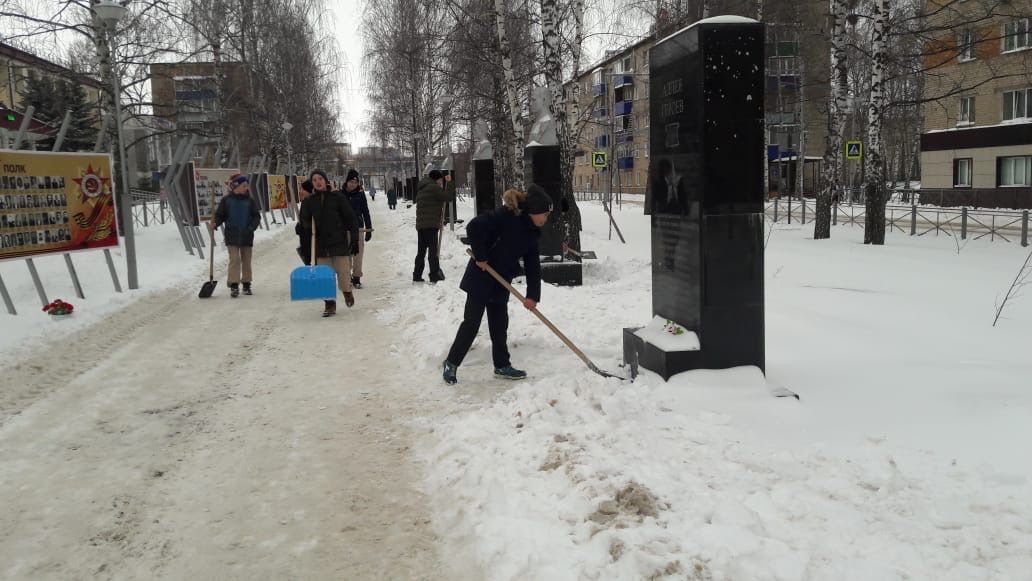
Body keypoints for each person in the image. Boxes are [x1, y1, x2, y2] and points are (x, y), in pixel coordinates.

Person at [442, 186, 552, 385]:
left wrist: (532, 296)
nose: (546, 218)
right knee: (472, 323)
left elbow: (533, 265)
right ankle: (451, 363)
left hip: (502, 280)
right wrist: (481, 256)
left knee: (499, 325)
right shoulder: (506, 216)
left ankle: (502, 365)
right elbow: (474, 227)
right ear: (535, 211)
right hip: (482, 276)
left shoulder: (532, 233)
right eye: (544, 214)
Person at [299, 169, 359, 317]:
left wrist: (355, 237)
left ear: (325, 180)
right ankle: (330, 304)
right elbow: (304, 220)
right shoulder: (310, 201)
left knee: (344, 274)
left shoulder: (337, 197)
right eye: (314, 180)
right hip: (321, 244)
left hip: (339, 242)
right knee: (324, 277)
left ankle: (347, 291)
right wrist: (307, 224)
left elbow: (350, 218)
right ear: (312, 183)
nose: (318, 182)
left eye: (320, 178)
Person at [211, 173, 261, 298]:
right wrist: (215, 223)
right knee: (234, 259)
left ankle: (246, 283)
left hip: (246, 235)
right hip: (231, 235)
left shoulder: (250, 201)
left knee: (246, 260)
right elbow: (220, 215)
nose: (246, 188)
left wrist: (251, 228)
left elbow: (256, 216)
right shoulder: (226, 200)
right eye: (244, 186)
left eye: (247, 186)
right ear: (236, 187)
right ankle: (234, 284)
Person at [413, 169, 453, 283]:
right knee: (433, 251)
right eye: (440, 180)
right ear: (436, 179)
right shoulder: (433, 188)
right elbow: (448, 197)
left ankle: (417, 275)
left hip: (421, 225)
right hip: (431, 225)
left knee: (421, 251)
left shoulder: (422, 188)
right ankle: (434, 274)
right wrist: (449, 183)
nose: (441, 182)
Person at [343, 169, 372, 289]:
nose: (353, 184)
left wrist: (368, 227)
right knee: (346, 255)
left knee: (358, 254)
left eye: (355, 182)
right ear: (347, 182)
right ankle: (347, 276)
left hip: (358, 228)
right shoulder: (340, 194)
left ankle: (356, 277)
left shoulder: (360, 194)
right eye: (351, 181)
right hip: (344, 229)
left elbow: (365, 211)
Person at [295, 179, 314, 264]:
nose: (300, 191)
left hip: (310, 240)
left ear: (308, 191)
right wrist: (299, 226)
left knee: (311, 265)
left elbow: (311, 223)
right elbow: (303, 220)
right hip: (306, 240)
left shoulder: (310, 202)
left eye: (303, 189)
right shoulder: (305, 202)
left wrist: (302, 228)